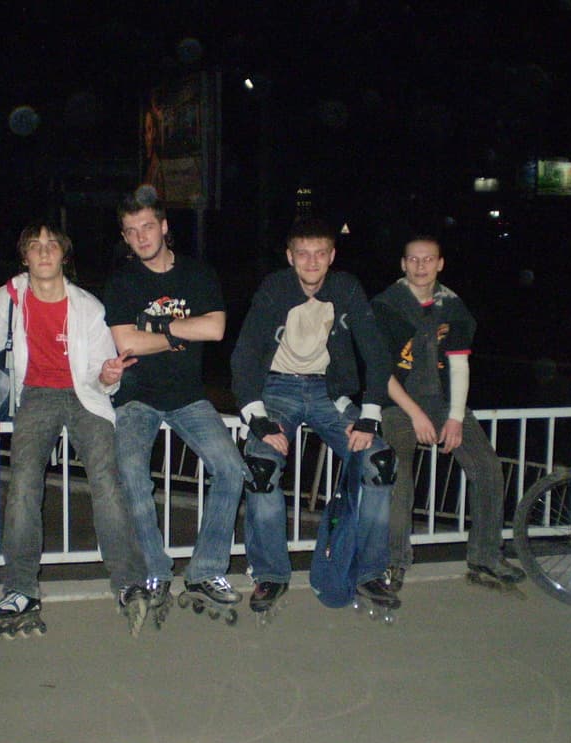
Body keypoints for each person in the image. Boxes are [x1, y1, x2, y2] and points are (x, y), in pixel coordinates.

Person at [0, 223, 150, 637]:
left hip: (83, 394)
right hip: (35, 394)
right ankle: (20, 589)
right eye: (35, 246)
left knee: (107, 480)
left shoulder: (87, 306)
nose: (44, 252)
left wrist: (108, 376)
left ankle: (128, 582)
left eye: (52, 245)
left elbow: (103, 376)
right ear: (25, 257)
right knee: (23, 483)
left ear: (63, 255)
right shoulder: (7, 299)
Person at [231, 217, 398, 619]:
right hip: (277, 389)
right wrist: (257, 419)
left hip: (329, 392)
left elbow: (376, 353)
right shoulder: (275, 289)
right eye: (302, 253)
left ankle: (370, 572)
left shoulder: (346, 289)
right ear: (290, 257)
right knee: (261, 467)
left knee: (379, 461)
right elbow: (245, 354)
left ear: (332, 256)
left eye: (320, 253)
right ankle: (270, 573)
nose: (311, 261)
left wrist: (369, 415)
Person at [101, 185, 246, 624]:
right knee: (131, 473)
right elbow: (125, 343)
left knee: (231, 469)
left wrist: (155, 334)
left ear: (164, 227)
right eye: (131, 231)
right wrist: (179, 332)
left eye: (147, 227)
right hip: (136, 397)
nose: (141, 237)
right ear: (124, 237)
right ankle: (155, 570)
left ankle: (204, 571)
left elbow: (216, 329)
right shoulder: (122, 282)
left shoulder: (197, 275)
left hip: (188, 396)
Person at [372, 235, 524, 594]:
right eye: (413, 259)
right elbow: (381, 373)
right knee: (398, 473)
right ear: (403, 264)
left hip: (442, 401)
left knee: (487, 466)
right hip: (398, 403)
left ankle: (486, 556)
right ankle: (394, 561)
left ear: (440, 264)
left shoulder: (453, 307)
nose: (420, 266)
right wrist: (416, 415)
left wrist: (455, 417)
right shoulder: (384, 307)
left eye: (428, 259)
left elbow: (458, 365)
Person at [142, 106, 166, 201]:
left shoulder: (158, 169)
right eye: (145, 131)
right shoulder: (149, 167)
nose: (147, 138)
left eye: (149, 129)